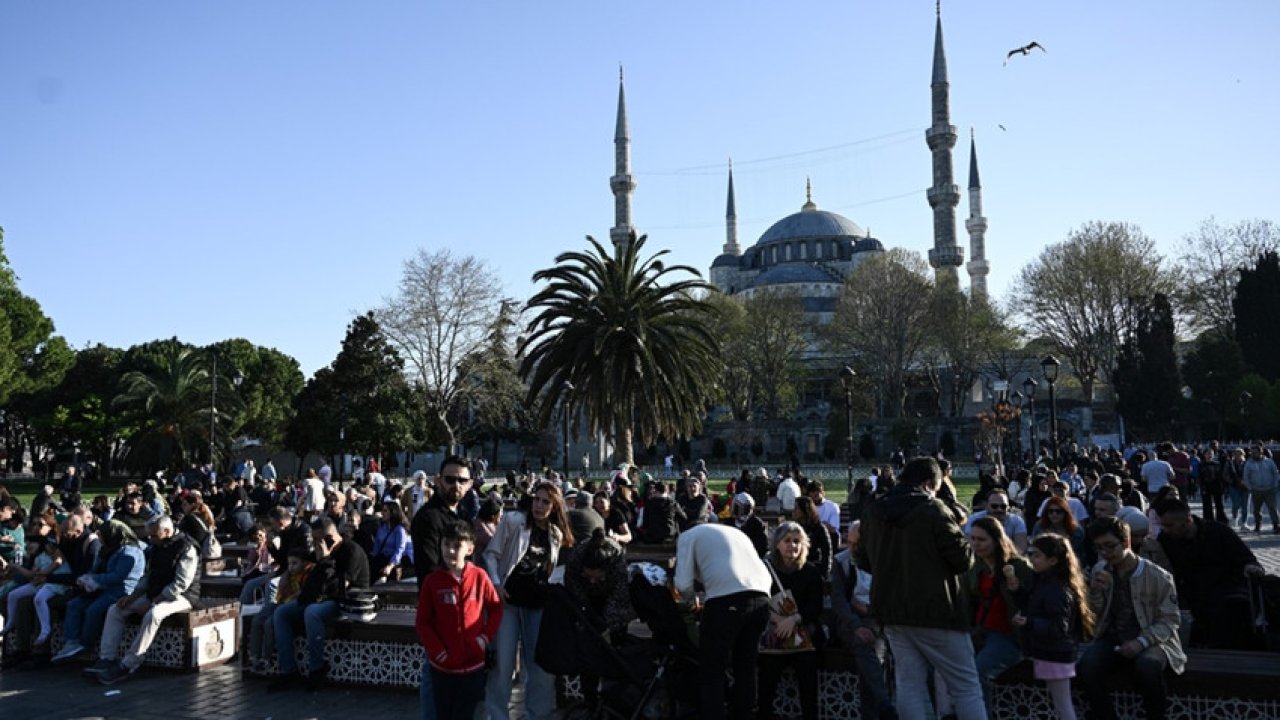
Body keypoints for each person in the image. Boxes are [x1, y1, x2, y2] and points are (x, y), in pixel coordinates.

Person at [856, 457, 984, 720]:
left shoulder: (874, 511)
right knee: (965, 685)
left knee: (908, 684)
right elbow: (963, 559)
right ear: (929, 485)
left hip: (891, 611)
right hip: (937, 610)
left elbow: (864, 559)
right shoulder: (933, 510)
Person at [483, 481, 574, 720]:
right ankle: (498, 715)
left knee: (540, 666)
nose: (539, 505)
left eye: (546, 502)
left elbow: (553, 569)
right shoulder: (514, 521)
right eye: (537, 499)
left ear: (554, 507)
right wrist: (495, 583)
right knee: (503, 664)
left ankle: (538, 715)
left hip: (538, 603)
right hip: (509, 601)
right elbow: (491, 554)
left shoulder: (555, 533)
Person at [1078, 517, 1184, 720]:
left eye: (1110, 546)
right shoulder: (1101, 570)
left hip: (1152, 638)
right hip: (1113, 638)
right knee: (1087, 666)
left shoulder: (1158, 576)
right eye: (1099, 548)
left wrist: (1141, 641)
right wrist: (1095, 593)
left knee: (1147, 667)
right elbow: (1096, 614)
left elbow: (1170, 620)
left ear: (1126, 542)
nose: (1105, 553)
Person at [674, 521, 772, 720]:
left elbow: (682, 584)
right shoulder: (733, 533)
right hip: (762, 597)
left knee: (712, 669)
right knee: (745, 666)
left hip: (727, 601)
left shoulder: (687, 536)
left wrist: (691, 600)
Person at [89, 515, 201, 684]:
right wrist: (132, 597)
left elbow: (180, 584)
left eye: (154, 535)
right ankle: (106, 658)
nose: (150, 539)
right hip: (155, 593)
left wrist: (152, 602)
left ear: (167, 531)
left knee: (153, 614)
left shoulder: (187, 547)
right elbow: (148, 577)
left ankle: (129, 664)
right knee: (115, 609)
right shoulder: (156, 546)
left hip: (181, 596)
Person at [270, 516, 370, 692]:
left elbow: (339, 587)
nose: (315, 543)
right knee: (281, 613)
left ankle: (317, 668)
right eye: (314, 539)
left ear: (330, 537)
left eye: (318, 539)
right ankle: (288, 670)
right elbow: (311, 579)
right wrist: (287, 573)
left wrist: (324, 560)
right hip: (321, 598)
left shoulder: (351, 551)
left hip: (345, 601)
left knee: (312, 612)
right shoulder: (319, 550)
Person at [417, 520, 502, 720]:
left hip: (473, 666)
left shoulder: (480, 576)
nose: (450, 551)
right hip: (443, 668)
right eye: (446, 544)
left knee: (466, 714)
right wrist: (438, 652)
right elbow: (423, 622)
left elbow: (496, 608)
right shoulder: (433, 581)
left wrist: (484, 638)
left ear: (470, 548)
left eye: (457, 546)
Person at [1153, 497, 1264, 650]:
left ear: (1187, 520)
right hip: (1193, 596)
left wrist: (1251, 567)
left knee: (1232, 608)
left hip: (1228, 590)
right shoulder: (1166, 540)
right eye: (1163, 525)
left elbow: (1246, 558)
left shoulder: (1218, 531)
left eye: (1169, 525)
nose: (1165, 529)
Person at [1011, 533, 1094, 720]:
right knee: (1060, 701)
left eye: (1037, 555)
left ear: (1053, 560)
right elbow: (1034, 606)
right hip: (1051, 651)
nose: (1031, 558)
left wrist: (1029, 622)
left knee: (1062, 703)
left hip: (1055, 653)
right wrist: (1017, 591)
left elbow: (1059, 626)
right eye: (1031, 553)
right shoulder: (1044, 581)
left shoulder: (1056, 588)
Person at [961, 515, 1032, 712]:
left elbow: (1030, 602)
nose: (976, 544)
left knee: (978, 672)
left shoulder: (1018, 567)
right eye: (973, 539)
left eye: (982, 539)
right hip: (981, 630)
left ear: (996, 540)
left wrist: (1015, 589)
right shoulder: (976, 567)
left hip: (1008, 635)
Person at [52, 521, 147, 663]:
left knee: (94, 610)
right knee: (74, 604)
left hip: (122, 590)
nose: (100, 538)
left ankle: (85, 644)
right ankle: (71, 642)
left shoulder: (129, 551)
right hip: (103, 587)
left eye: (102, 535)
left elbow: (118, 576)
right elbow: (96, 569)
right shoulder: (107, 549)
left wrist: (94, 579)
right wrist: (86, 579)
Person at [758, 522, 825, 720]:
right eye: (787, 541)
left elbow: (816, 607)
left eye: (797, 541)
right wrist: (775, 619)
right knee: (766, 683)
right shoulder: (766, 569)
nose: (792, 546)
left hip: (803, 635)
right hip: (774, 630)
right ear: (777, 544)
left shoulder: (811, 571)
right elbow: (758, 599)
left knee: (808, 682)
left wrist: (795, 619)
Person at [829, 520, 895, 720]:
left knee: (873, 650)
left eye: (857, 544)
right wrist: (856, 625)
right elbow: (839, 601)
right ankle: (884, 704)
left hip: (880, 620)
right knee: (866, 645)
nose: (852, 548)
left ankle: (880, 708)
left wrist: (871, 610)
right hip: (852, 621)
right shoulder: (842, 562)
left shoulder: (884, 561)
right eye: (849, 543)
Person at [246, 546, 312, 672]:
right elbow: (280, 596)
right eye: (289, 564)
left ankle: (266, 658)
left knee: (269, 624)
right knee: (257, 620)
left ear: (304, 563)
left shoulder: (307, 575)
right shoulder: (287, 576)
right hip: (281, 604)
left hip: (294, 608)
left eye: (295, 563)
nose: (291, 567)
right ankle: (254, 656)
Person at [370, 502, 414, 584]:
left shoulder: (400, 529)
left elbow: (400, 549)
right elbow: (377, 547)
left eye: (385, 511)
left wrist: (390, 566)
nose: (382, 513)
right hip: (385, 556)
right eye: (382, 510)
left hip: (399, 558)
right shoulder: (382, 528)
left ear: (392, 512)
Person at [791, 496, 834, 577]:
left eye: (797, 508)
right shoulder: (793, 528)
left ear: (805, 510)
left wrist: (824, 573)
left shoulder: (819, 528)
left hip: (813, 566)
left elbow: (826, 552)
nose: (794, 511)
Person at [1242, 444, 1279, 533]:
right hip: (1256, 490)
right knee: (1256, 510)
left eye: (1255, 452)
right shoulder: (1249, 463)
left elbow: (1275, 474)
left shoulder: (1269, 461)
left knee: (1272, 508)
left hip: (1269, 489)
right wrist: (1250, 488)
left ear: (1261, 452)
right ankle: (1258, 525)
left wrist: (1274, 486)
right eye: (1252, 452)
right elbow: (1246, 476)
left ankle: (1276, 525)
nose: (1253, 454)